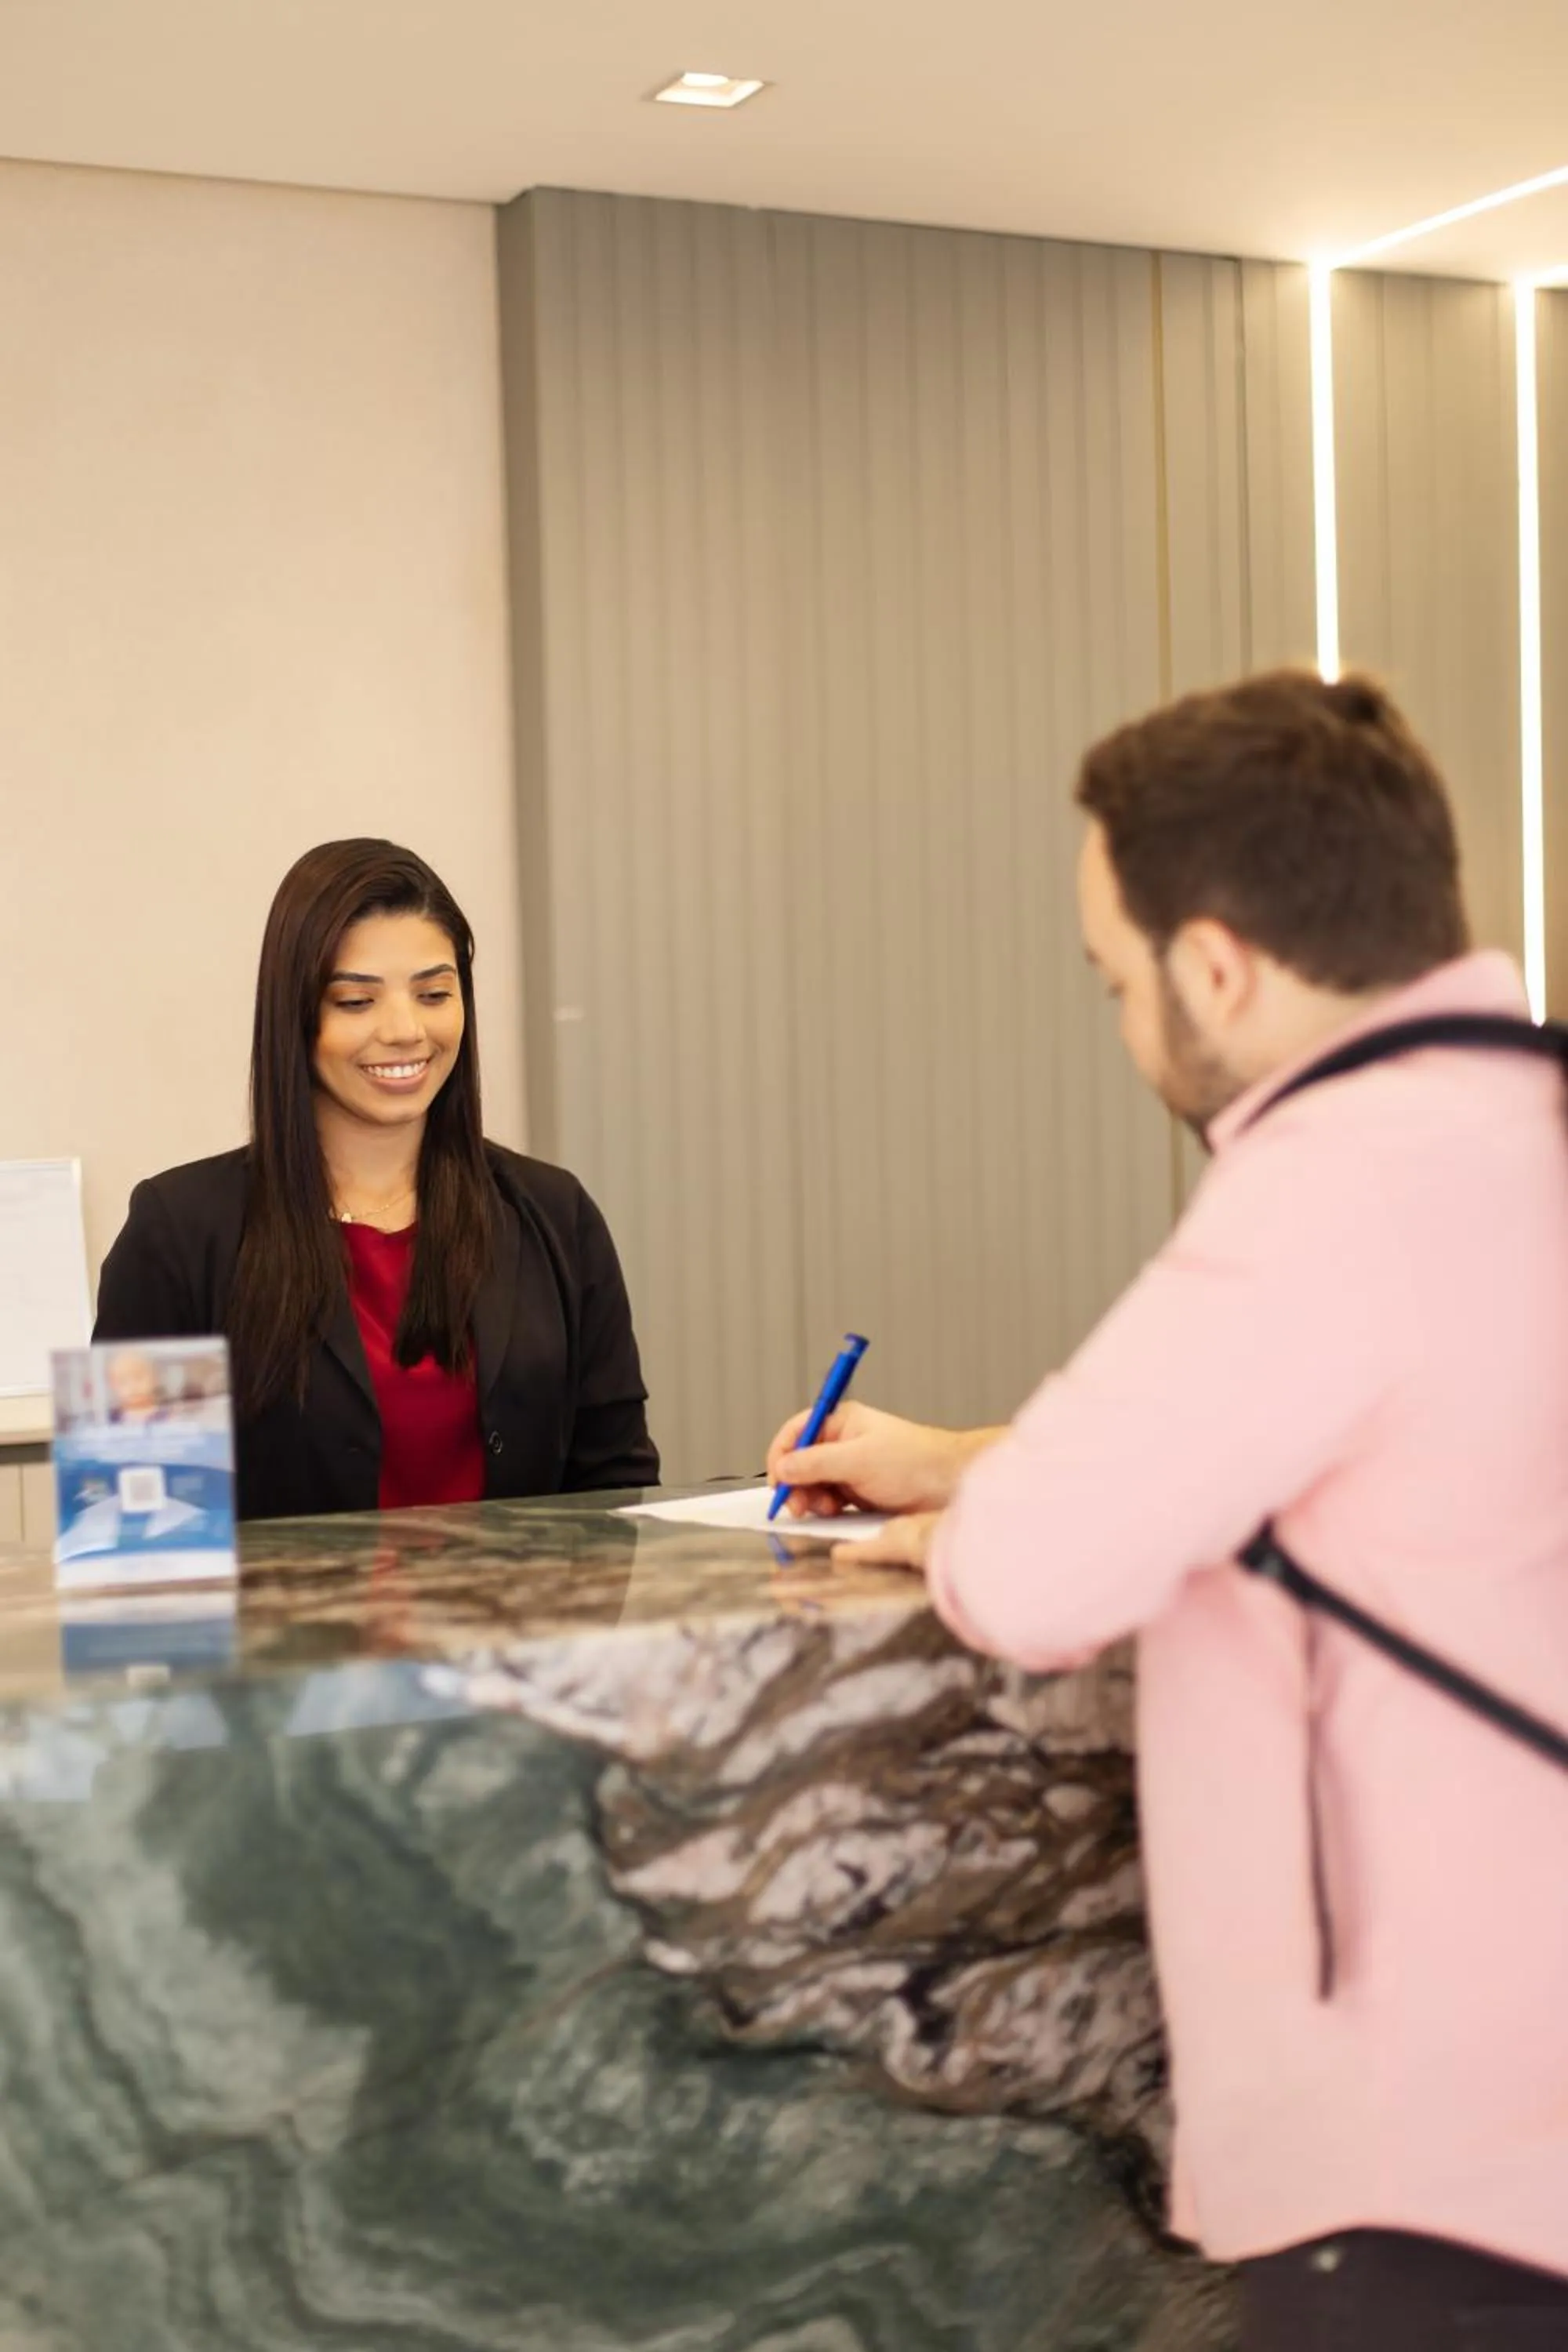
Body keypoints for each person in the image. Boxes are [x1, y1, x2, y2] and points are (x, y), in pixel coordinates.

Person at [766, 671, 1568, 2350]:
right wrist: (976, 1453)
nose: (1128, 1028)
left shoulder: (1331, 1177)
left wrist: (952, 1517)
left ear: (1215, 966)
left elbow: (1038, 1571)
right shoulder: (1512, 1129)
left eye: (1116, 982)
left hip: (1427, 2150)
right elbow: (1360, 1455)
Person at [96, 839, 658, 1519]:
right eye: (356, 1002)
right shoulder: (178, 1231)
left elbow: (616, 1491)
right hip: (280, 1629)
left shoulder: (554, 1213)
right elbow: (134, 1527)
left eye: (434, 994)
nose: (404, 1030)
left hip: (518, 1627)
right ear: (296, 1016)